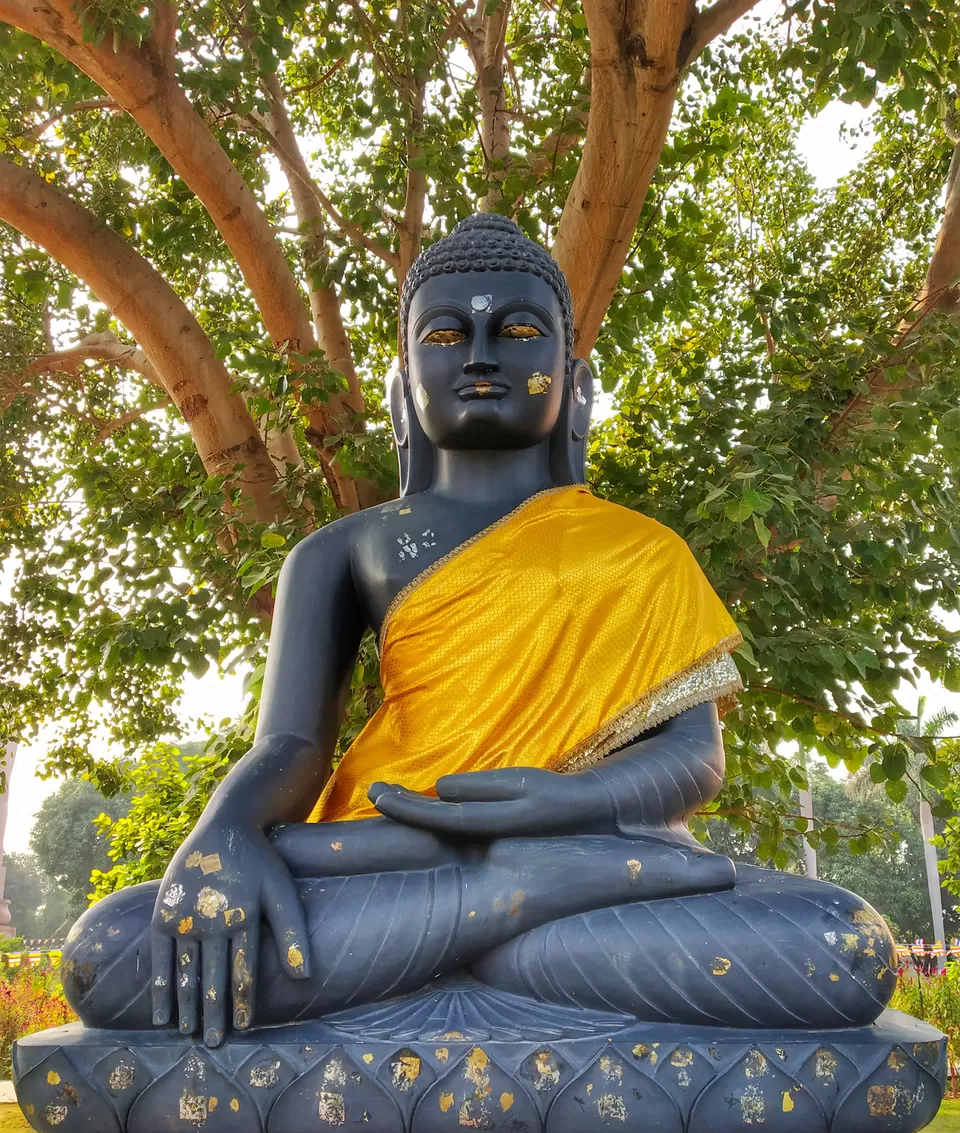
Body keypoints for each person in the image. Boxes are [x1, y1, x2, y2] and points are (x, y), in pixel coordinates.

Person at [62, 217, 897, 1048]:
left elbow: (691, 760)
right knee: (114, 953)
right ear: (404, 384)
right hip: (390, 853)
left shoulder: (642, 551)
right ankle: (514, 894)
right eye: (449, 333)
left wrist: (567, 801)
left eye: (519, 330)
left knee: (841, 947)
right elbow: (289, 746)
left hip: (580, 848)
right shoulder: (341, 551)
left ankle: (498, 901)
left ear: (575, 382)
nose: (482, 355)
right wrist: (227, 832)